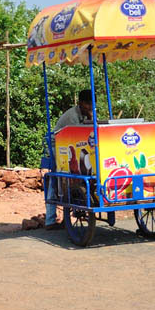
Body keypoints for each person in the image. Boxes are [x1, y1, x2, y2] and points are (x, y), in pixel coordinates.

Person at [45, 90, 95, 230]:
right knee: (58, 180)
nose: (90, 107)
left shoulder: (86, 112)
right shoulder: (72, 117)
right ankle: (50, 220)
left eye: (92, 104)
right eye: (87, 104)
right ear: (80, 103)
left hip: (74, 145)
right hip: (58, 146)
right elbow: (80, 135)